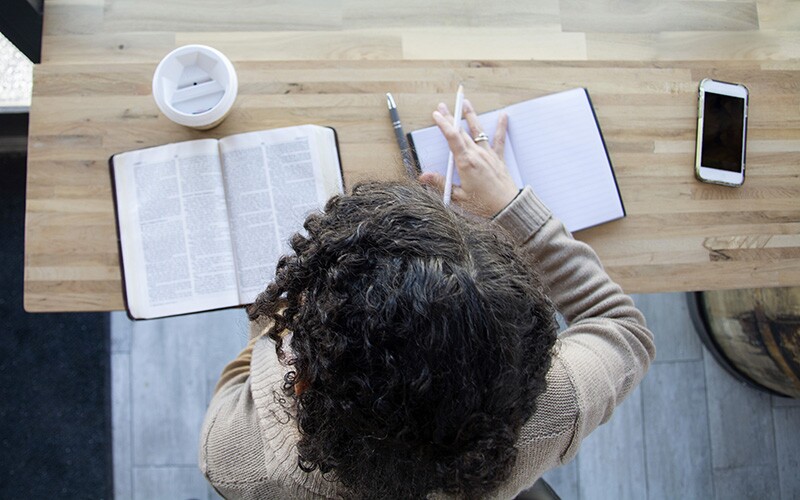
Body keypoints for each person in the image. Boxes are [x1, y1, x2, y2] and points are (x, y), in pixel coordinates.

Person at [199, 99, 655, 499]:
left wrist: (277, 312)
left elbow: (240, 378)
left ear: (300, 381)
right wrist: (512, 209)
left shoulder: (233, 459)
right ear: (530, 368)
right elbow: (623, 327)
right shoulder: (554, 410)